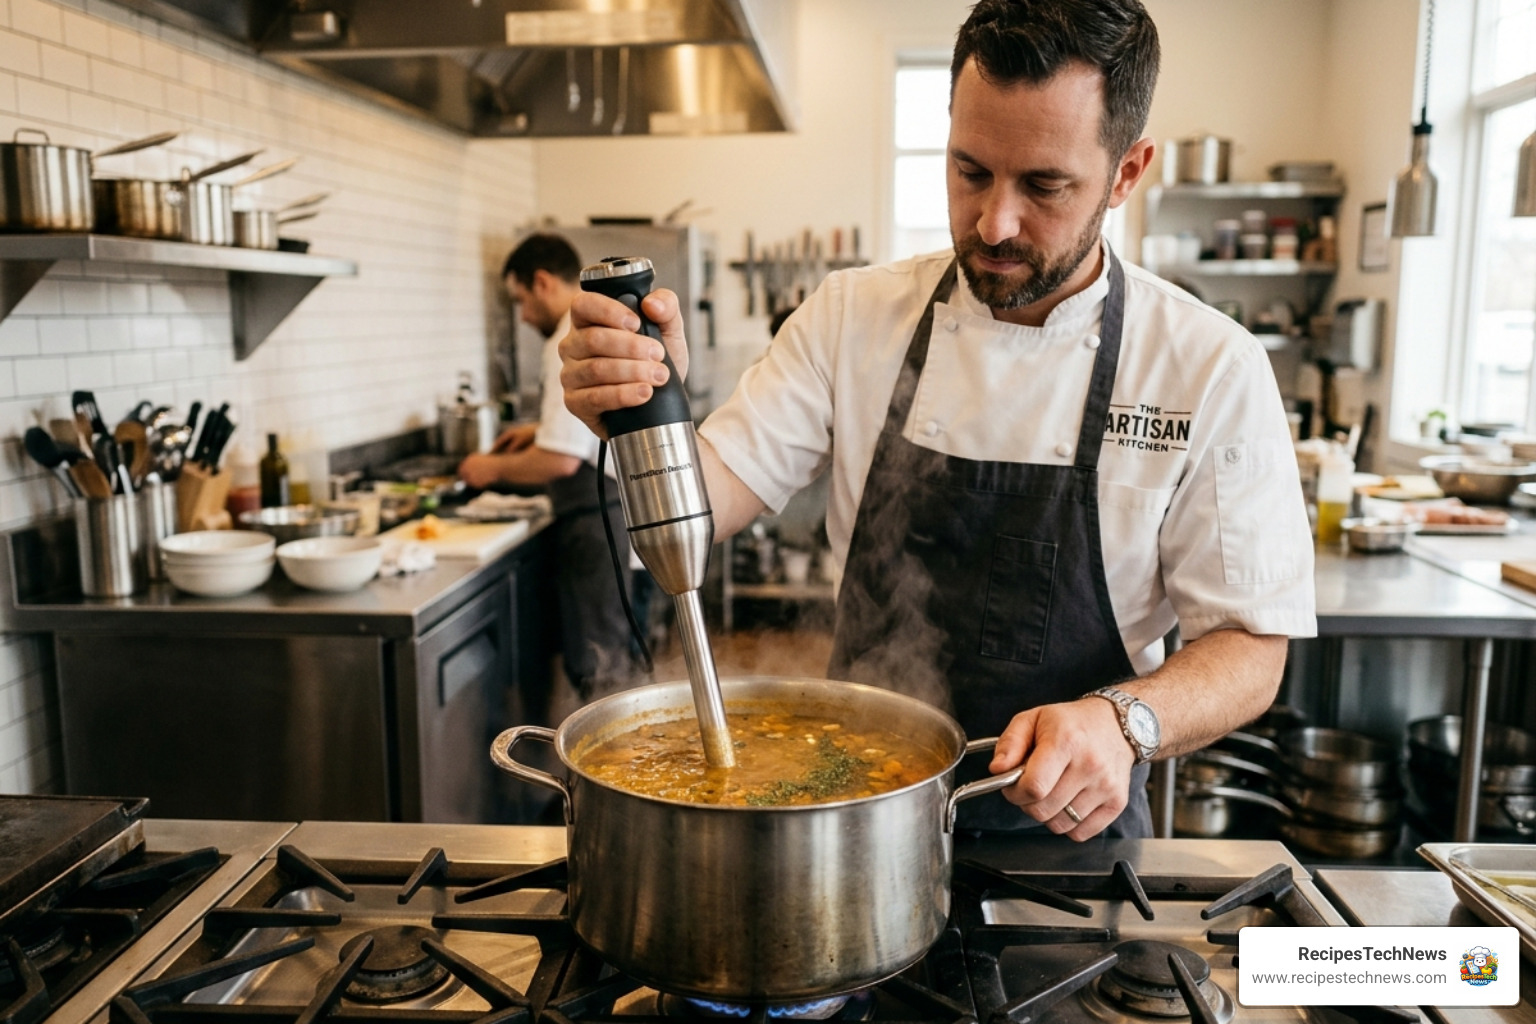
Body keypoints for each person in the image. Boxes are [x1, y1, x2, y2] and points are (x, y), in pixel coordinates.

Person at [558, 0, 1316, 837]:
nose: (994, 222)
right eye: (970, 171)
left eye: (1044, 186)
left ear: (1127, 172)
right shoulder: (852, 315)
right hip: (846, 821)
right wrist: (640, 418)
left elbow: (1251, 647)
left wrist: (1126, 720)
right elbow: (704, 511)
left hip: (1069, 840)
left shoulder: (1209, 364)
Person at [460, 233, 648, 703]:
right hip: (616, 517)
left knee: (600, 668)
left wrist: (487, 469)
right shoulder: (589, 324)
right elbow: (581, 432)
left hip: (594, 527)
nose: (522, 315)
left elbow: (562, 460)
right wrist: (537, 430)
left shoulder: (567, 336)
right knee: (620, 656)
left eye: (521, 300)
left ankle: (614, 770)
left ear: (542, 283)